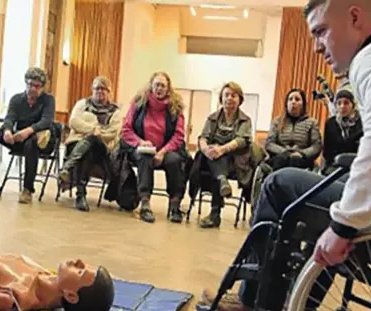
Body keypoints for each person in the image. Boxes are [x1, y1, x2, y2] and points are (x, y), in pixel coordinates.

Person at [200, 0, 371, 311]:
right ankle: (302, 303)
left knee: (279, 185)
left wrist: (345, 223)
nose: (317, 46)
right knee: (328, 189)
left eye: (321, 31)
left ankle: (257, 304)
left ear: (354, 16)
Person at [120, 71, 189, 224]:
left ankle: (175, 205)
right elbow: (126, 130)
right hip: (141, 148)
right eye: (157, 84)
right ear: (151, 86)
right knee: (145, 157)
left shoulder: (176, 108)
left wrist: (162, 152)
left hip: (167, 150)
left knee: (175, 160)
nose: (159, 88)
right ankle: (145, 203)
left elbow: (178, 136)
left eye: (163, 86)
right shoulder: (138, 103)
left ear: (168, 88)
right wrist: (140, 142)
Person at [191, 81, 256, 229]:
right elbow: (203, 137)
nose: (229, 98)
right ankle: (222, 181)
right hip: (213, 158)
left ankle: (215, 214)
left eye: (233, 95)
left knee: (218, 160)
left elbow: (241, 140)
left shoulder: (245, 120)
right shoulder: (213, 117)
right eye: (226, 95)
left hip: (235, 161)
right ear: (221, 98)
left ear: (240, 99)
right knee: (213, 159)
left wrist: (222, 149)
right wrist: (206, 149)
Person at [0, 67, 56, 204]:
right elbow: (10, 118)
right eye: (30, 84)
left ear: (42, 88)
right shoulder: (16, 99)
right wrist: (8, 131)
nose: (33, 88)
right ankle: (19, 147)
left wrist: (29, 130)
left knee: (31, 143)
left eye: (37, 86)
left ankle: (27, 189)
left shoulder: (48, 100)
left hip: (41, 139)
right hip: (20, 139)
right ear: (25, 83)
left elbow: (46, 121)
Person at [59, 76, 123, 212]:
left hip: (102, 150)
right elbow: (73, 122)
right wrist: (93, 130)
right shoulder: (82, 104)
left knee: (94, 140)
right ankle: (80, 195)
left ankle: (68, 167)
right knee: (88, 149)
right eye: (97, 88)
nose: (100, 91)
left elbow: (112, 133)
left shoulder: (115, 111)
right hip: (76, 145)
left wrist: (93, 133)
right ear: (92, 90)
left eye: (103, 89)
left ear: (109, 91)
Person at [265, 88, 322, 171]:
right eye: (290, 99)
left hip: (302, 158)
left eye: (297, 99)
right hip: (280, 157)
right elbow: (269, 144)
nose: (293, 102)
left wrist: (301, 153)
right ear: (286, 103)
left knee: (295, 160)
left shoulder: (312, 123)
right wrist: (285, 152)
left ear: (303, 104)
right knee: (281, 159)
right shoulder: (277, 122)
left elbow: (316, 146)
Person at [320, 90, 363, 175]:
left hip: (356, 166)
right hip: (334, 165)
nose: (342, 106)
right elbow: (327, 151)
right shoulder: (330, 123)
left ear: (353, 105)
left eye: (346, 103)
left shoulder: (361, 123)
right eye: (339, 103)